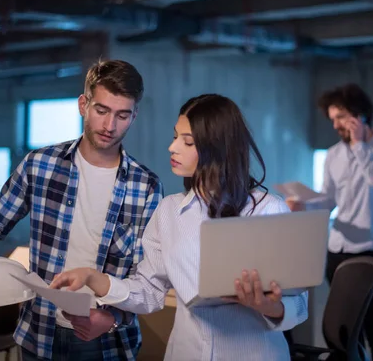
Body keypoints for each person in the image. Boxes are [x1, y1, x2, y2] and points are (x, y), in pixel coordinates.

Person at [49, 94, 309, 361]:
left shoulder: (268, 209)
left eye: (187, 142)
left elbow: (299, 305)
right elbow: (149, 292)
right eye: (175, 137)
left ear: (217, 148)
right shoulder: (169, 211)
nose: (172, 148)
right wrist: (96, 279)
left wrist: (267, 305)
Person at [0, 59, 164, 361]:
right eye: (101, 110)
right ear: (83, 104)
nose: (110, 126)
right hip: (39, 333)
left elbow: (147, 281)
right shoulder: (40, 165)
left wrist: (113, 318)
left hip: (104, 343)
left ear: (134, 115)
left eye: (122, 115)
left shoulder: (147, 187)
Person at [287, 83, 373, 361]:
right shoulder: (333, 154)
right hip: (338, 249)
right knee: (346, 330)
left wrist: (360, 143)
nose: (334, 124)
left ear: (359, 115)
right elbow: (329, 200)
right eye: (332, 118)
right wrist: (304, 204)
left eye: (339, 117)